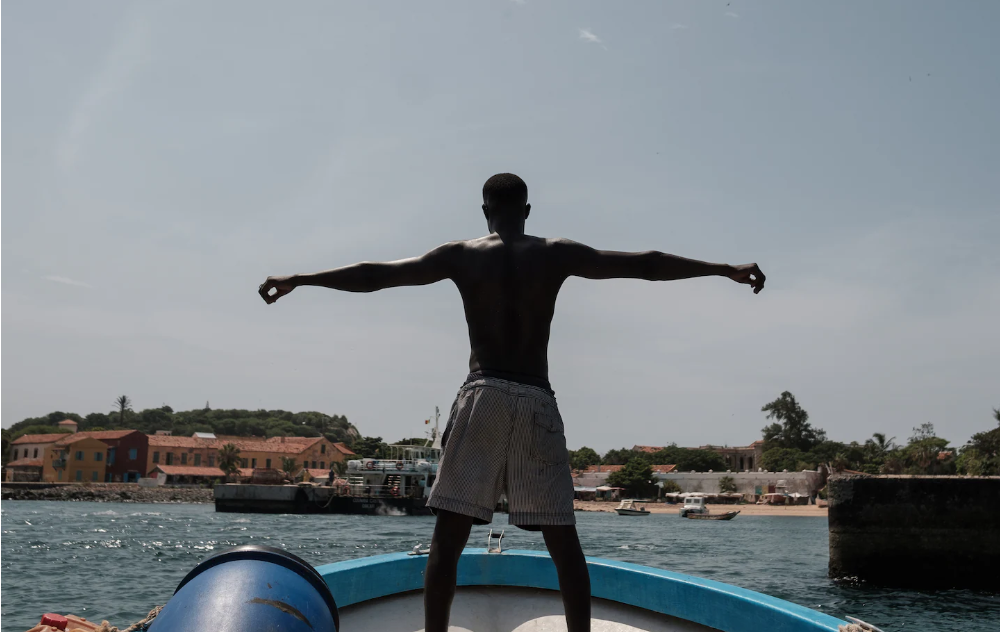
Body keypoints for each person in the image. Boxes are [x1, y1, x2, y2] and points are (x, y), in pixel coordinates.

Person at [258, 173, 765, 632]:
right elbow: (646, 265)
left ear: (484, 212)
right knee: (562, 538)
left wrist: (301, 279)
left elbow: (376, 274)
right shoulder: (555, 252)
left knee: (449, 536)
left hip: (483, 395)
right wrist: (725, 269)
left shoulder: (461, 254)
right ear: (527, 210)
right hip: (535, 397)